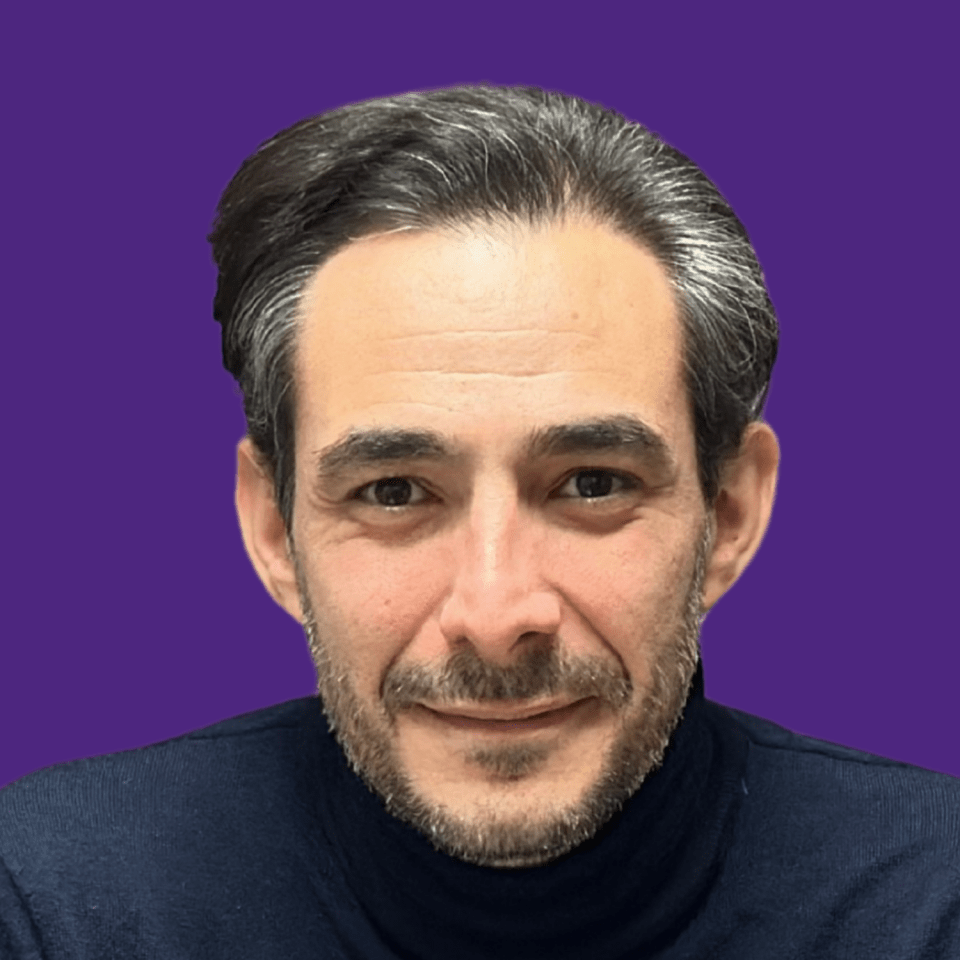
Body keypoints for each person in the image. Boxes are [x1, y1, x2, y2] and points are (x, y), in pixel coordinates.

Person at [1, 85, 957, 959]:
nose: (496, 617)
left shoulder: (930, 905)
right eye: (394, 492)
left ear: (730, 511)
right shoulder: (56, 903)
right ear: (274, 530)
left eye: (592, 483)